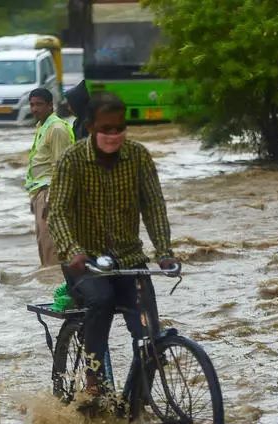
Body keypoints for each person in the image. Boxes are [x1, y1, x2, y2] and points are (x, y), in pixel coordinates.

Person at [47, 92, 178, 395]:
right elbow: (57, 213)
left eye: (119, 128)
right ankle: (94, 378)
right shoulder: (73, 160)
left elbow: (154, 207)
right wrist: (73, 250)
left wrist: (164, 253)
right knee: (101, 300)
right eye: (106, 129)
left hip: (129, 259)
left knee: (148, 328)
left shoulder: (139, 156)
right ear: (91, 127)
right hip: (84, 261)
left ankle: (141, 394)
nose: (113, 135)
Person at [26, 88, 75, 267]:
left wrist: (52, 200)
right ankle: (49, 285)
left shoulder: (56, 129)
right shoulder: (42, 126)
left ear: (50, 105)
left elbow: (60, 167)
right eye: (32, 104)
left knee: (51, 246)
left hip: (49, 192)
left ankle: (56, 285)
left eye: (39, 104)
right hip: (39, 191)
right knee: (43, 243)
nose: (34, 109)